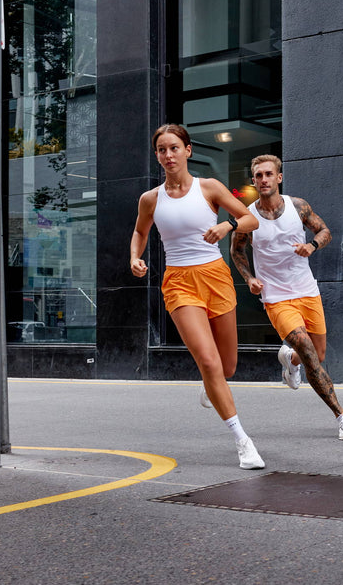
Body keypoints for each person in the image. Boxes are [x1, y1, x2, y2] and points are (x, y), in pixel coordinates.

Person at [129, 124, 266, 470]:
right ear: (157, 155)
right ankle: (242, 440)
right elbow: (140, 231)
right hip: (179, 282)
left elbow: (250, 219)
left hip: (216, 276)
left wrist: (226, 226)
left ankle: (213, 385)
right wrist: (135, 256)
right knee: (208, 362)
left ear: (188, 151)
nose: (168, 155)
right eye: (161, 150)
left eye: (174, 148)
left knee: (227, 366)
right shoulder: (151, 199)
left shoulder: (210, 188)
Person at [229, 154, 343, 441]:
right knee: (309, 350)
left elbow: (324, 230)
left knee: (317, 354)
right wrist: (250, 278)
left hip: (306, 290)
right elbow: (237, 250)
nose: (263, 179)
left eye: (268, 174)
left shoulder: (298, 206)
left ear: (279, 177)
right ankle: (342, 416)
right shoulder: (246, 217)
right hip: (275, 296)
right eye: (258, 175)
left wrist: (312, 246)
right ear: (253, 180)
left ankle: (291, 360)